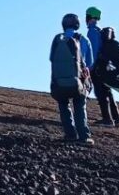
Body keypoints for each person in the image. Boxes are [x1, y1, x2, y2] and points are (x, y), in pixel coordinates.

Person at [49, 13, 94, 145]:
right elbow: (90, 63)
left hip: (59, 81)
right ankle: (84, 136)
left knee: (63, 105)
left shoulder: (58, 39)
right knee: (79, 105)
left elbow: (52, 59)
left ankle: (70, 134)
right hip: (78, 80)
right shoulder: (83, 39)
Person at [93, 27, 119, 126]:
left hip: (105, 73)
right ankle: (117, 119)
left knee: (102, 95)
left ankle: (107, 119)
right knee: (109, 95)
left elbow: (105, 59)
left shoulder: (107, 45)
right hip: (114, 73)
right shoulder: (116, 44)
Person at [86, 6, 110, 126]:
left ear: (89, 17)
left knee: (100, 92)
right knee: (104, 91)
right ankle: (110, 118)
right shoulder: (99, 31)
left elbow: (93, 51)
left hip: (96, 67)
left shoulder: (92, 31)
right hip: (104, 66)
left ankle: (107, 119)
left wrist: (90, 67)